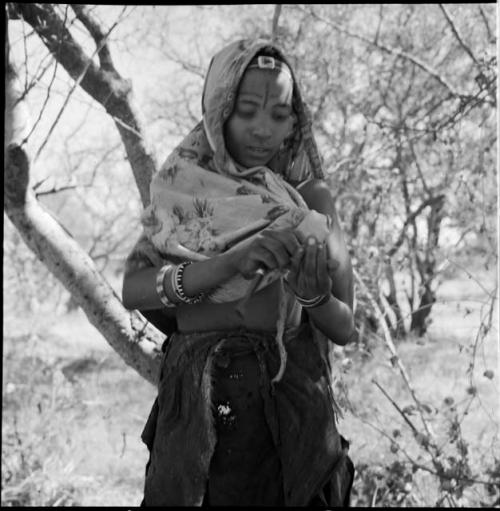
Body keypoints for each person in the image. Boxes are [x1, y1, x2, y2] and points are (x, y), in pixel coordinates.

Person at [122, 38, 356, 507]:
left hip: (288, 413)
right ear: (218, 109)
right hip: (197, 411)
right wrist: (227, 264)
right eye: (246, 110)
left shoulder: (311, 198)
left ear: (295, 120)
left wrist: (312, 298)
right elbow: (134, 289)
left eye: (279, 113)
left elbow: (345, 326)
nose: (263, 129)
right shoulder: (181, 191)